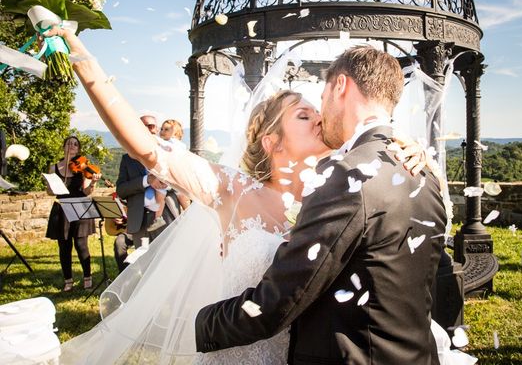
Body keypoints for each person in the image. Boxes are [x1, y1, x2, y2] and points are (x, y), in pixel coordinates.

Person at [49, 28, 472, 364]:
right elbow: (144, 146)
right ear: (271, 141)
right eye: (304, 114)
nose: (320, 116)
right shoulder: (232, 189)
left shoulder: (340, 183)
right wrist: (82, 59)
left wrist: (405, 144)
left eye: (318, 107)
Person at [45, 136, 100, 292]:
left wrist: (94, 182)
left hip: (80, 207)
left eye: (75, 144)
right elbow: (49, 192)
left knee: (81, 244)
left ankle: (87, 277)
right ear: (64, 146)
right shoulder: (54, 167)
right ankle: (68, 280)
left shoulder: (83, 167)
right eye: (69, 143)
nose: (72, 146)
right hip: (61, 208)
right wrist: (51, 188)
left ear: (78, 148)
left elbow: (86, 191)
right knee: (64, 246)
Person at [116, 115, 170, 247]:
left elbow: (182, 184)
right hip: (138, 220)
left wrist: (165, 183)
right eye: (143, 126)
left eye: (151, 126)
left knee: (164, 261)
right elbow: (121, 190)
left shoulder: (168, 153)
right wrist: (146, 180)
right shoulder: (127, 159)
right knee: (142, 261)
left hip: (164, 217)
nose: (147, 129)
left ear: (156, 129)